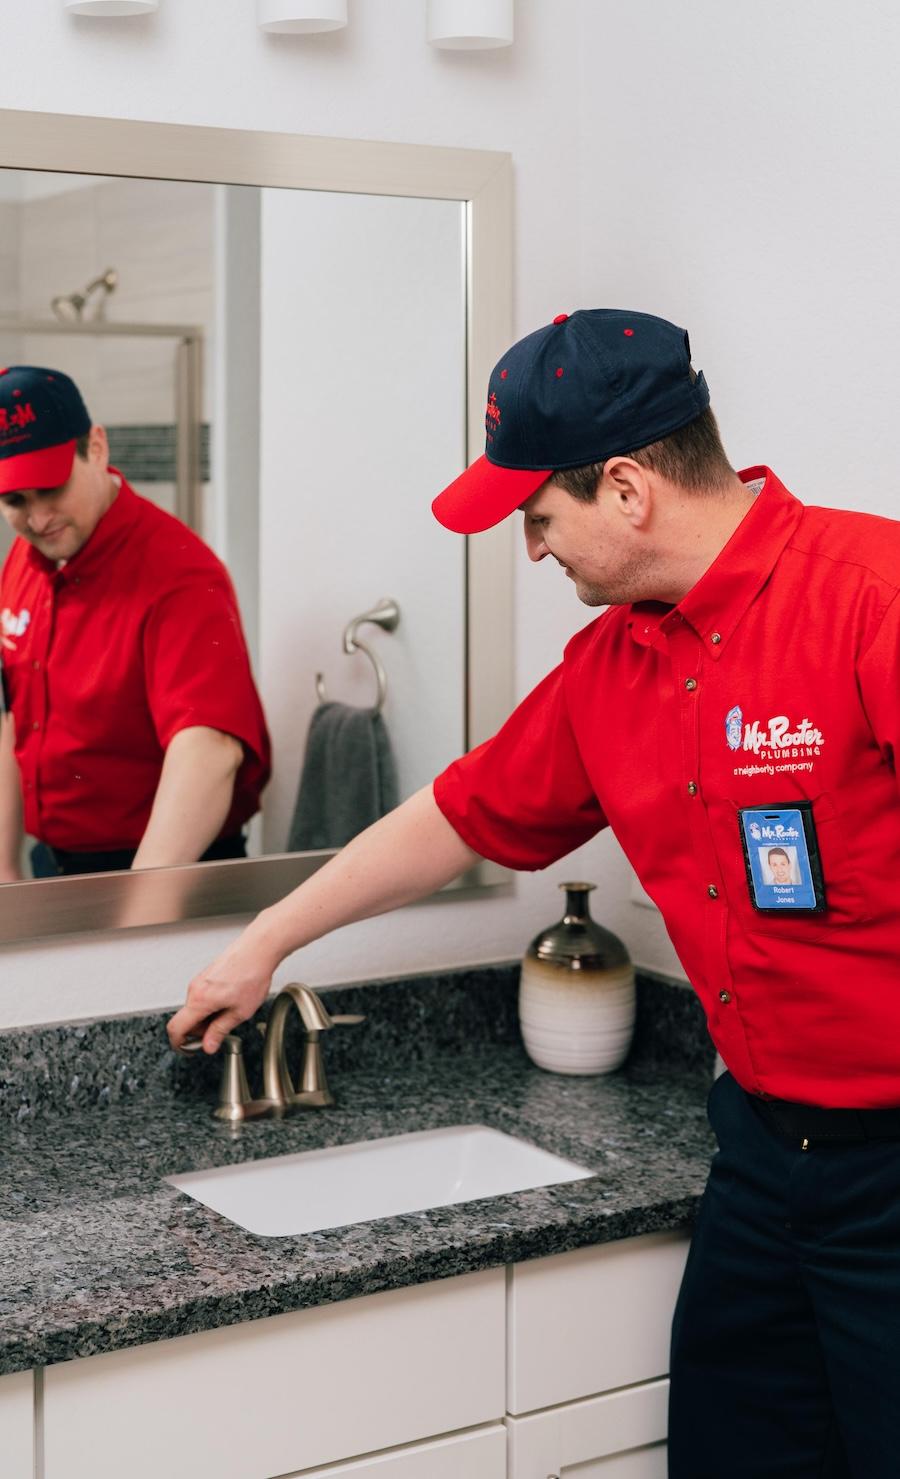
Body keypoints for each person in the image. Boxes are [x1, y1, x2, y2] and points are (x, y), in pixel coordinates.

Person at [168, 308, 900, 1478]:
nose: (532, 551)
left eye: (535, 518)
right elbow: (460, 813)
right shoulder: (611, 667)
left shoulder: (872, 597)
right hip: (762, 1157)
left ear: (625, 488)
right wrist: (269, 937)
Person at [0, 366, 270, 878]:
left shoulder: (180, 574)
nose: (36, 520)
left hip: (165, 866)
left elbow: (208, 752)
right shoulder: (23, 561)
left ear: (96, 447)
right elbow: (12, 716)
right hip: (54, 866)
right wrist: (4, 872)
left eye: (50, 489)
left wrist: (140, 908)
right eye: (15, 501)